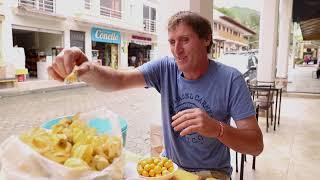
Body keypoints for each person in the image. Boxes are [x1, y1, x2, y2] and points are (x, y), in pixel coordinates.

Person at [48, 11, 263, 179]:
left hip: (212, 173)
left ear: (206, 39)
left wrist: (216, 129)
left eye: (185, 40)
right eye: (172, 42)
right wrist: (86, 68)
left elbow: (255, 145)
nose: (176, 50)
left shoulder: (231, 79)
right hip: (168, 166)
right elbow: (119, 80)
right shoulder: (165, 68)